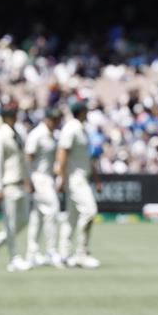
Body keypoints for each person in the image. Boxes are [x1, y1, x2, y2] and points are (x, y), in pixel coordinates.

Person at [0, 103, 32, 272]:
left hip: (20, 184)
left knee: (23, 221)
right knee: (10, 224)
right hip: (8, 184)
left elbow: (23, 160)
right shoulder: (0, 136)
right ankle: (13, 258)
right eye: (12, 114)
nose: (15, 116)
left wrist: (28, 180)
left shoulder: (17, 133)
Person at [56, 100, 101, 268]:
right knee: (89, 211)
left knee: (72, 217)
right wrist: (61, 178)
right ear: (80, 112)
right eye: (85, 110)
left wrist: (96, 178)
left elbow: (87, 158)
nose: (88, 112)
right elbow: (62, 152)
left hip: (82, 177)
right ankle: (81, 253)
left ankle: (64, 254)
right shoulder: (72, 128)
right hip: (74, 178)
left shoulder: (81, 129)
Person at [24, 108, 63, 267]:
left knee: (37, 217)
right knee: (53, 210)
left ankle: (31, 253)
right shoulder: (37, 134)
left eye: (56, 120)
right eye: (52, 119)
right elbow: (28, 158)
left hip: (47, 178)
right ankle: (51, 250)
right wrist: (28, 180)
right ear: (46, 119)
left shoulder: (51, 135)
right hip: (38, 178)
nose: (55, 123)